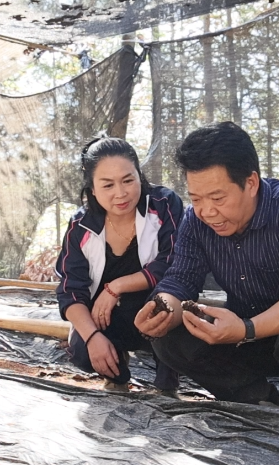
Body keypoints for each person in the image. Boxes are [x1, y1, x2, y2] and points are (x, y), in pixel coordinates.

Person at [134, 122, 279, 414]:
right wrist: (162, 308)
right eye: (196, 199)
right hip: (249, 331)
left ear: (251, 183)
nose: (207, 211)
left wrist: (246, 329)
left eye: (217, 198)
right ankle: (256, 399)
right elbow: (180, 279)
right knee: (169, 338)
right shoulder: (195, 222)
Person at [55, 137, 184, 392]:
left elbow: (173, 262)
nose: (121, 193)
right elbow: (70, 290)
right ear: (92, 189)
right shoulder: (80, 226)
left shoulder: (164, 204)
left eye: (128, 180)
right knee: (82, 350)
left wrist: (117, 286)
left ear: (139, 175)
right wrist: (92, 338)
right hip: (108, 317)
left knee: (166, 310)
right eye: (107, 185)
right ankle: (117, 374)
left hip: (155, 311)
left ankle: (167, 385)